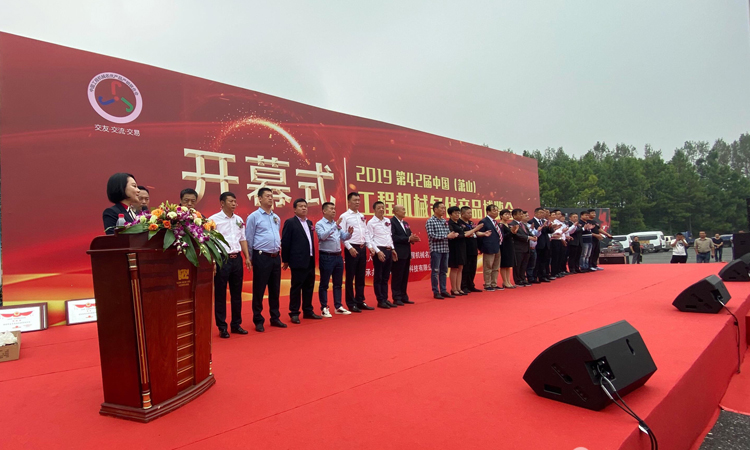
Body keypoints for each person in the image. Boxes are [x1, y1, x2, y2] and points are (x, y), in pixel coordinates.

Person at [208, 192, 252, 338]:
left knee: (237, 293)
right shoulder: (213, 220)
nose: (234, 204)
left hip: (237, 259)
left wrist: (247, 257)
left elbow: (242, 239)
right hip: (222, 259)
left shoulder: (239, 220)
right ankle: (222, 327)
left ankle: (236, 324)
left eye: (235, 201)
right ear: (222, 203)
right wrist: (213, 261)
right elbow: (210, 242)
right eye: (231, 201)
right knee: (220, 294)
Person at [246, 187, 285, 332]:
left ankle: (275, 317)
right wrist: (250, 257)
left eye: (271, 196)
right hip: (261, 256)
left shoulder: (276, 217)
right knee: (259, 289)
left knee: (275, 289)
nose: (270, 198)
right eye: (267, 196)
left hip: (275, 256)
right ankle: (258, 320)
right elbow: (249, 238)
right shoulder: (254, 217)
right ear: (260, 199)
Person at [281, 198, 322, 324]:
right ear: (294, 209)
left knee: (309, 286)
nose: (304, 208)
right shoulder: (290, 222)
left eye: (305, 206)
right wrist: (285, 260)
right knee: (296, 287)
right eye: (300, 206)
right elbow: (285, 242)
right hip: (297, 260)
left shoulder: (309, 223)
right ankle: (294, 312)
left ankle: (308, 310)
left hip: (310, 259)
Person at [339, 192, 376, 312]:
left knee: (361, 276)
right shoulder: (344, 216)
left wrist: (369, 246)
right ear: (349, 202)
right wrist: (349, 247)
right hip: (352, 248)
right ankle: (351, 303)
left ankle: (360, 300)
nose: (357, 202)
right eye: (355, 200)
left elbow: (366, 232)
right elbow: (341, 234)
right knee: (350, 277)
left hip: (362, 247)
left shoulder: (361, 216)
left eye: (359, 200)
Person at [316, 202, 353, 316]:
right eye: (331, 209)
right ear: (324, 211)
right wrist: (334, 226)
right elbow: (322, 237)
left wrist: (349, 234)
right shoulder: (320, 224)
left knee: (338, 283)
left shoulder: (336, 224)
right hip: (326, 256)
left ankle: (338, 306)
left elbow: (343, 237)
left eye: (334, 209)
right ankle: (324, 308)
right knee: (324, 283)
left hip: (338, 256)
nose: (334, 211)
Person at [368, 201, 398, 309]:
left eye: (382, 207)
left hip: (389, 249)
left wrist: (393, 249)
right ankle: (380, 300)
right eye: (379, 208)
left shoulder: (387, 221)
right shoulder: (371, 223)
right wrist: (378, 251)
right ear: (374, 210)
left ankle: (385, 298)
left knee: (386, 277)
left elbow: (389, 236)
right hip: (379, 250)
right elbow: (370, 239)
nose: (381, 209)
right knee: (379, 276)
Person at [427, 201, 459, 299]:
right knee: (435, 271)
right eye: (441, 208)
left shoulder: (444, 221)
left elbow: (448, 233)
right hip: (436, 250)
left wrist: (453, 235)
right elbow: (431, 236)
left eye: (444, 208)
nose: (443, 210)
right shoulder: (430, 221)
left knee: (444, 271)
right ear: (435, 209)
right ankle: (436, 291)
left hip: (445, 249)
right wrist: (447, 236)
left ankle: (443, 290)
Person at [391, 204, 419, 305]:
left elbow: (409, 235)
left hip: (406, 253)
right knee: (397, 276)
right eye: (402, 210)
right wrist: (408, 239)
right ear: (395, 212)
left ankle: (404, 296)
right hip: (398, 253)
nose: (404, 211)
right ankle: (396, 297)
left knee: (404, 276)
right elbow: (393, 237)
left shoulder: (405, 223)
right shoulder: (391, 222)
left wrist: (413, 239)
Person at [460, 206, 488, 293]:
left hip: (473, 248)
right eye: (468, 213)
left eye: (471, 213)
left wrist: (484, 233)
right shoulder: (459, 223)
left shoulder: (471, 222)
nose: (470, 215)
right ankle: (463, 286)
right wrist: (476, 229)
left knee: (472, 268)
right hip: (465, 248)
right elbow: (465, 233)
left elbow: (476, 232)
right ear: (462, 213)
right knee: (465, 269)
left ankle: (471, 285)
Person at [529, 208, 557, 282]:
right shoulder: (531, 222)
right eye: (541, 212)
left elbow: (549, 231)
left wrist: (550, 227)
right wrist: (541, 228)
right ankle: (534, 277)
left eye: (543, 213)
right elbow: (532, 232)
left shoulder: (544, 221)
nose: (542, 214)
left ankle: (542, 276)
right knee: (537, 262)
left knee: (544, 261)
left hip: (546, 243)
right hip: (538, 243)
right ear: (535, 213)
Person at [479, 204, 502, 291]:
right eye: (494, 210)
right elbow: (479, 235)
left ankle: (494, 283)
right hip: (488, 247)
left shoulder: (495, 222)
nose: (496, 212)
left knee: (496, 267)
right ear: (488, 212)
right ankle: (487, 284)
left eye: (497, 210)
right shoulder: (484, 221)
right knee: (488, 267)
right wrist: (482, 247)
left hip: (497, 246)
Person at [511, 208, 533, 287]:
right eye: (519, 214)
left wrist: (533, 236)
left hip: (526, 248)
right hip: (518, 248)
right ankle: (518, 280)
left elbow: (528, 232)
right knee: (518, 265)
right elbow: (516, 235)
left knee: (524, 264)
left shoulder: (523, 224)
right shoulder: (512, 224)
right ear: (514, 216)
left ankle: (523, 278)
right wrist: (528, 237)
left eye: (522, 214)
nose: (521, 215)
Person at [498, 209, 518, 288]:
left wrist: (514, 232)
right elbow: (502, 236)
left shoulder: (509, 225)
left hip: (510, 245)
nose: (508, 216)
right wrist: (511, 232)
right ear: (501, 216)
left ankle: (508, 281)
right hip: (504, 246)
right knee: (504, 265)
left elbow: (511, 236)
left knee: (508, 265)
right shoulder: (500, 225)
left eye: (509, 214)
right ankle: (505, 282)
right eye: (506, 214)